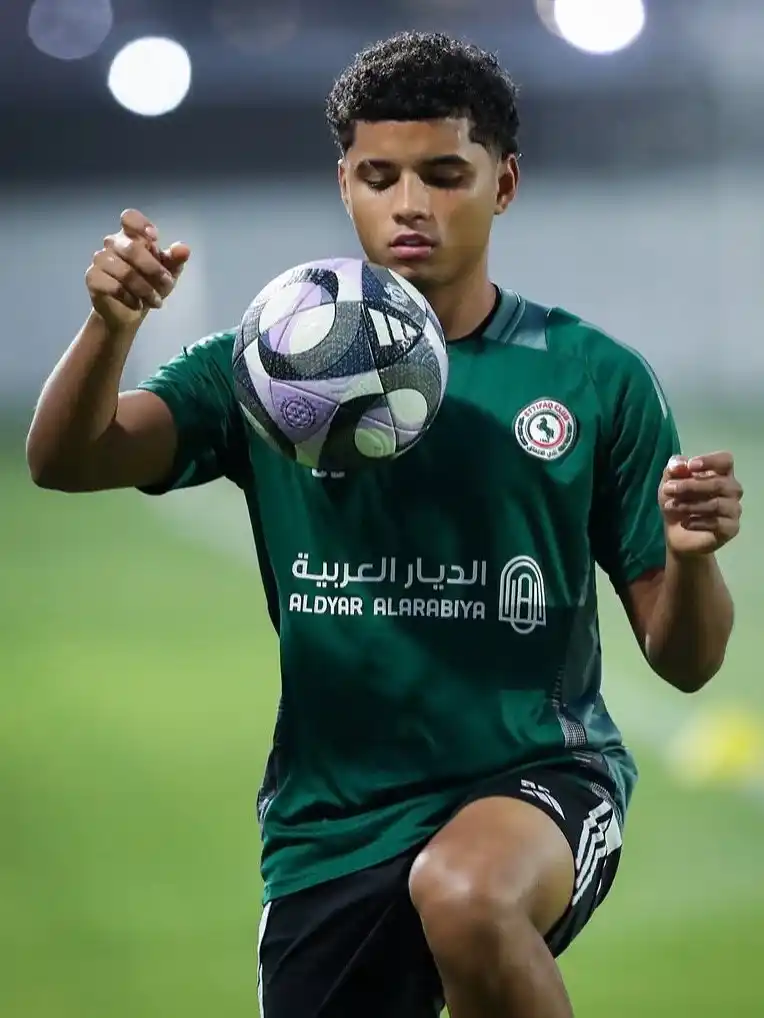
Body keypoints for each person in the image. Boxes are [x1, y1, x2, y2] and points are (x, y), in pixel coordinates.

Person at [26, 30, 743, 1018]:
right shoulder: (267, 364)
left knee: (465, 896)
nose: (408, 203)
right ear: (344, 184)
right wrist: (110, 327)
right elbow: (68, 459)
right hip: (333, 822)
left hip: (536, 778)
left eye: (444, 174)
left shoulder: (591, 378)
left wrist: (694, 560)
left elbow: (684, 660)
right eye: (379, 175)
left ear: (503, 185)